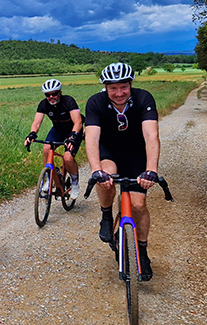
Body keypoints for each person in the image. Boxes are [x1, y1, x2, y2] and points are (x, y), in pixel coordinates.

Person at [84, 62, 160, 281]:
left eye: (123, 87)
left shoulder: (144, 98)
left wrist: (151, 170)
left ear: (131, 84)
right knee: (105, 176)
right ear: (105, 87)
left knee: (138, 204)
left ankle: (142, 252)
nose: (119, 93)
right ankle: (106, 215)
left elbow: (151, 136)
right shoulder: (95, 102)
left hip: (136, 153)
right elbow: (92, 138)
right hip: (108, 151)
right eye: (113, 88)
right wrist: (96, 170)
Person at [23, 79, 84, 198]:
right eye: (48, 95)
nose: (51, 97)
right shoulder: (43, 104)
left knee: (68, 158)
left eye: (54, 94)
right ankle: (49, 178)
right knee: (46, 149)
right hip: (58, 130)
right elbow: (36, 122)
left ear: (60, 92)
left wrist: (72, 137)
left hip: (73, 131)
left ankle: (75, 183)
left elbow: (78, 122)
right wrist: (32, 134)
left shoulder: (68, 101)